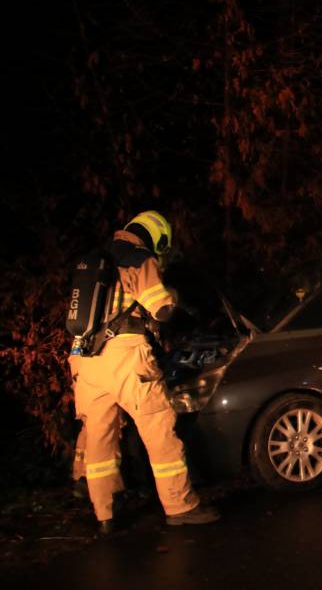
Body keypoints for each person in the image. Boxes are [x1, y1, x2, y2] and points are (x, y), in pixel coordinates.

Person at [67, 210, 219, 533]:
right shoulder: (139, 258)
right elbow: (162, 309)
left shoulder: (96, 259)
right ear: (156, 238)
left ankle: (104, 515)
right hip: (125, 358)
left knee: (100, 440)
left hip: (85, 359)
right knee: (160, 429)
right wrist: (175, 296)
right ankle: (180, 506)